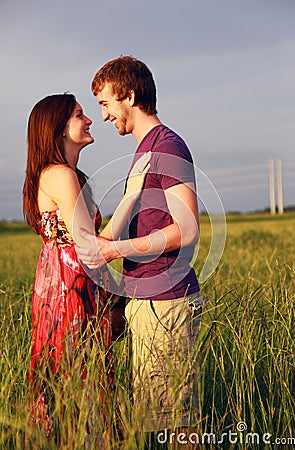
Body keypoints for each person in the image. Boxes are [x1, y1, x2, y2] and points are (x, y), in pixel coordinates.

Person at [76, 56, 205, 438]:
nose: (103, 116)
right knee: (159, 421)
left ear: (129, 95)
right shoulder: (145, 150)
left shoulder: (168, 146)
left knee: (179, 426)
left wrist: (113, 251)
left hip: (167, 302)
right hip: (148, 302)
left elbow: (187, 230)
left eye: (105, 103)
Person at [23, 93, 150, 439]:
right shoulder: (60, 175)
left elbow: (96, 243)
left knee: (76, 377)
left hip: (69, 281)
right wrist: (133, 195)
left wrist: (132, 194)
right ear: (59, 129)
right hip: (69, 288)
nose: (90, 119)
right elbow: (91, 247)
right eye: (80, 115)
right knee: (81, 378)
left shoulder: (68, 175)